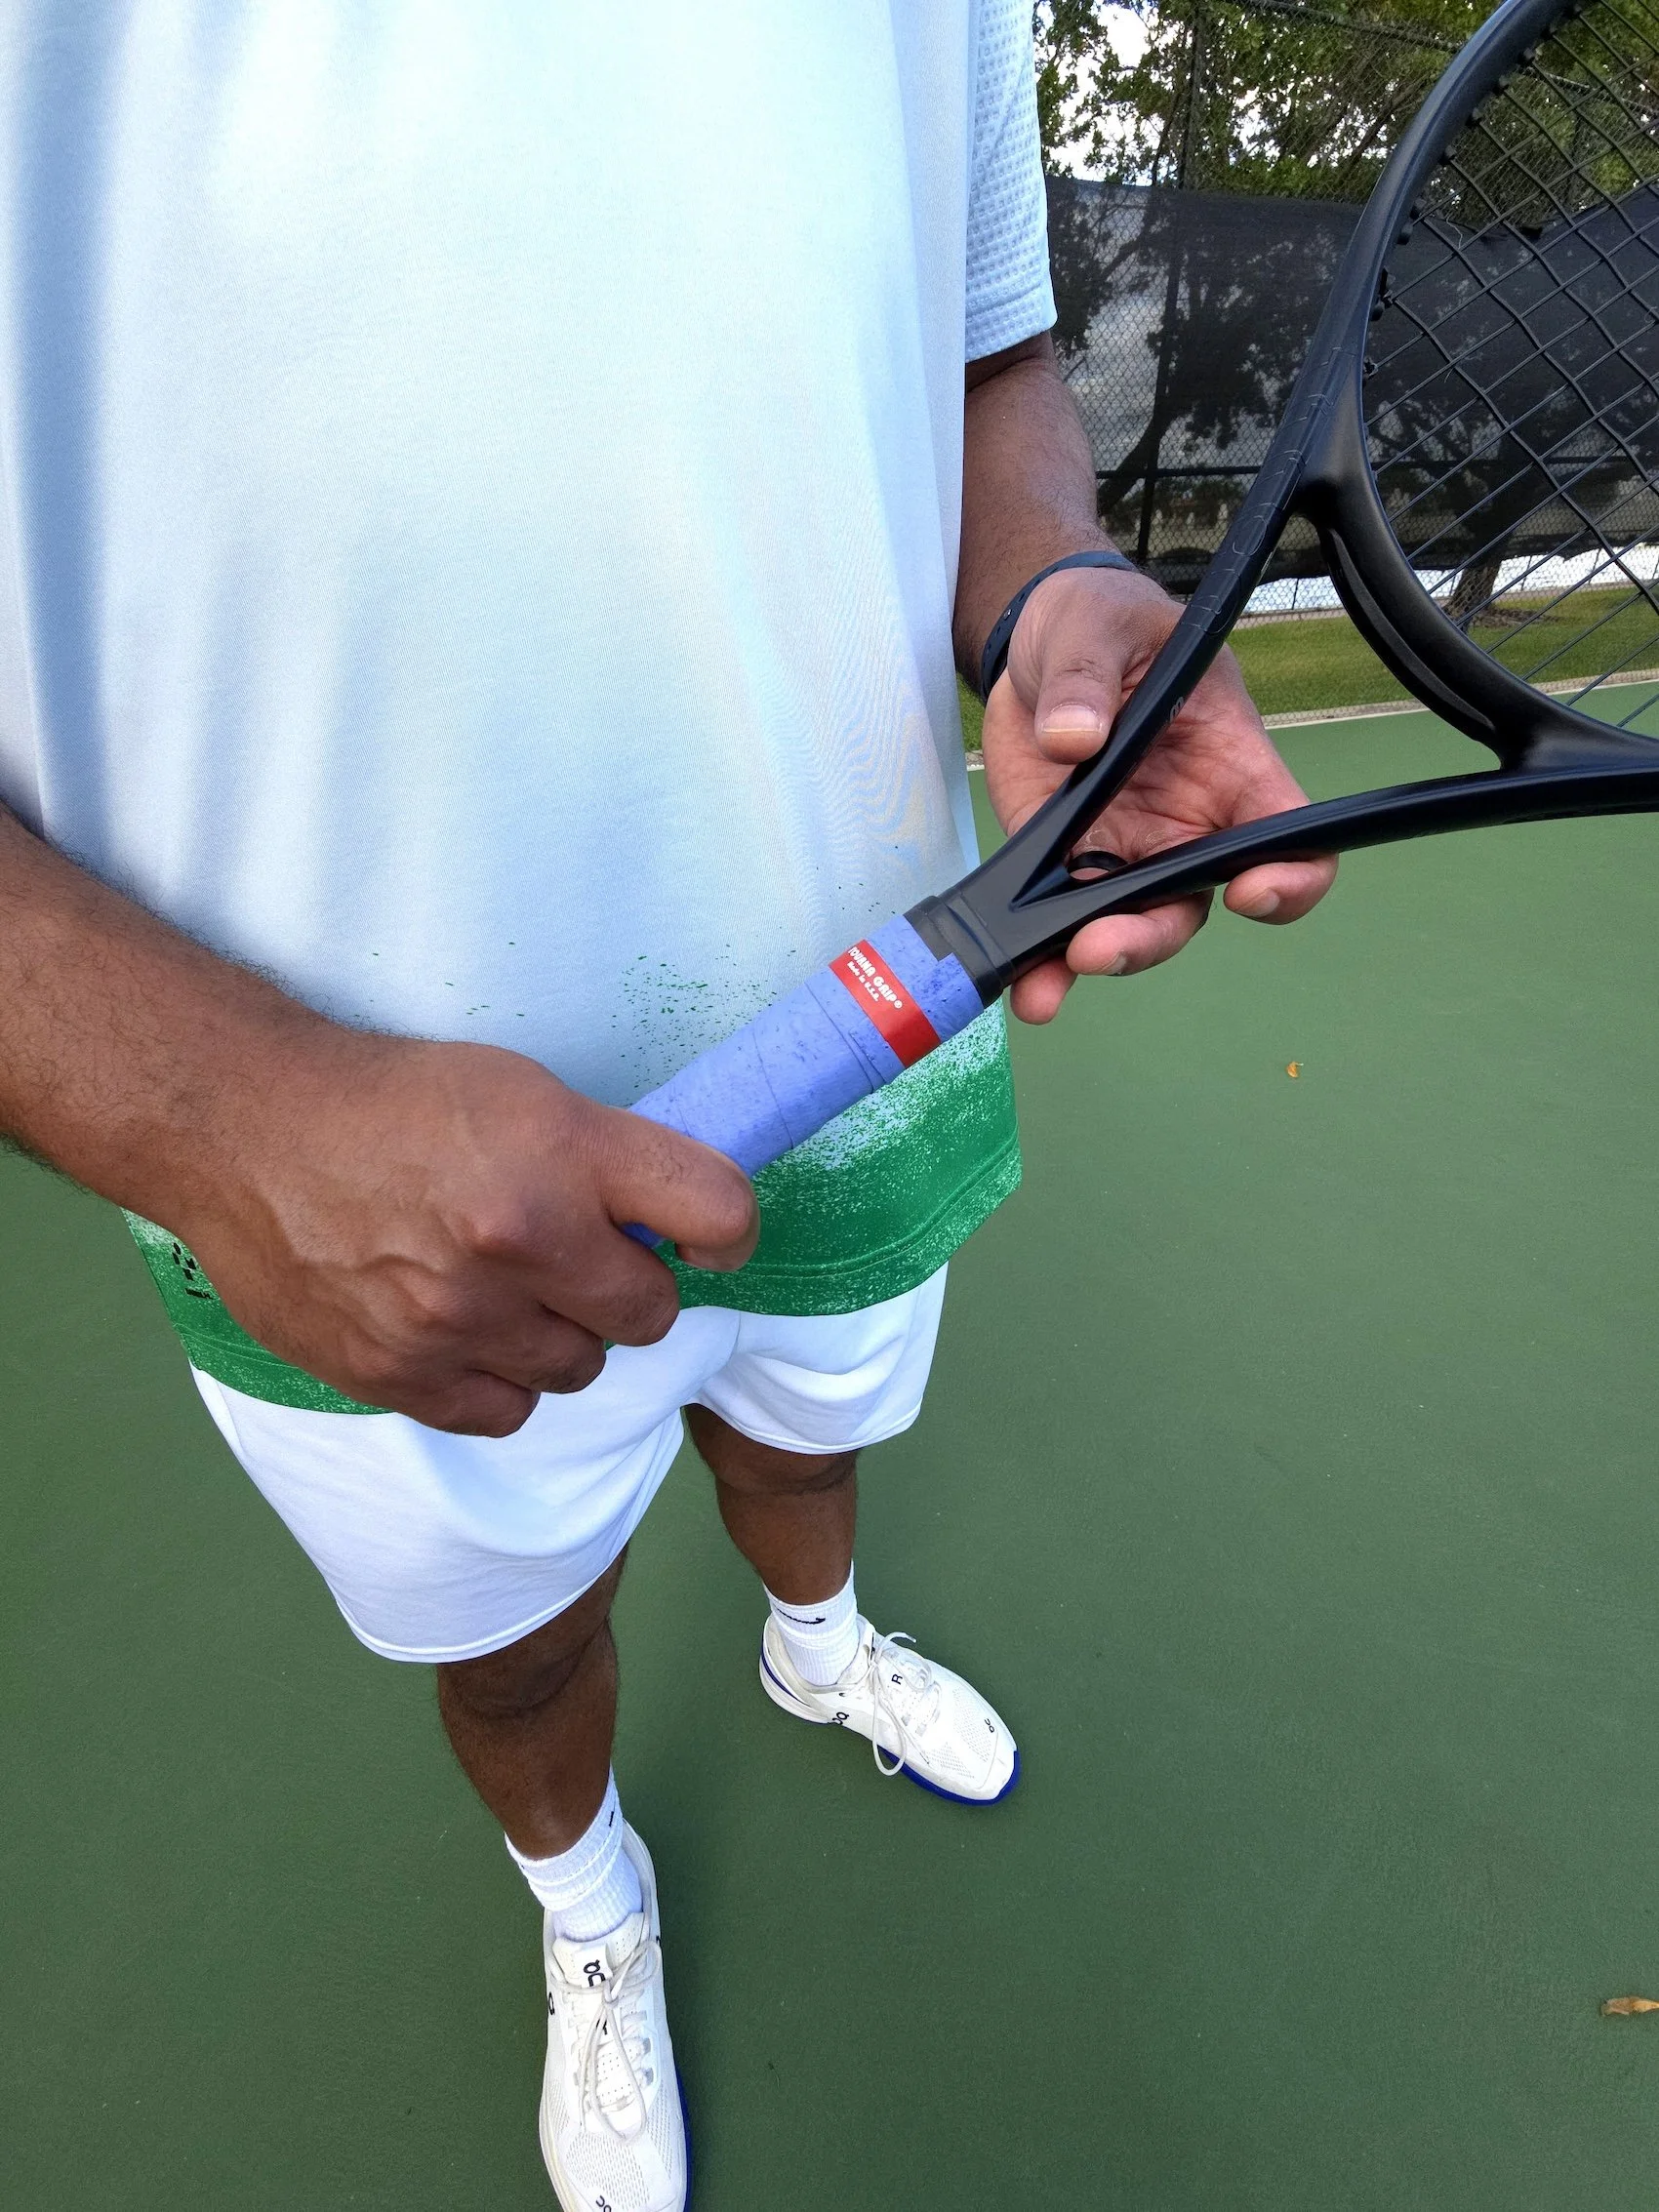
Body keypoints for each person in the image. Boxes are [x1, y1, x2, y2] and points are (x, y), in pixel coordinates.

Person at [0, 7, 1335, 2207]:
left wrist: (1047, 580)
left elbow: (987, 353)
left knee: (807, 1448)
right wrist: (217, 1115)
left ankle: (817, 1650)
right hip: (327, 1185)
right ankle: (587, 1903)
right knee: (522, 1652)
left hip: (876, 1051)